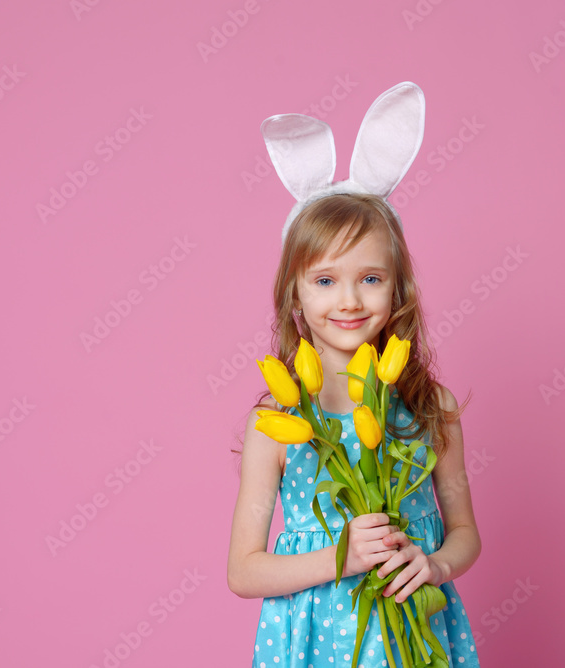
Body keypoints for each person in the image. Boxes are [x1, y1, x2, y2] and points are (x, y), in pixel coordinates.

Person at [228, 82, 482, 667]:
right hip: (316, 644)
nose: (348, 300)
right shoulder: (277, 424)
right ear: (294, 294)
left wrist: (437, 564)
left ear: (399, 291)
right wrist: (339, 558)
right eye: (324, 280)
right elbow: (243, 570)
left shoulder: (428, 408)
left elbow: (463, 529)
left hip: (411, 635)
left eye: (370, 278)